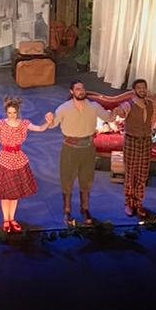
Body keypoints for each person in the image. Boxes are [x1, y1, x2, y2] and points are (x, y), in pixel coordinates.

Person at [0, 96, 54, 232]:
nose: (12, 115)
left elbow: (40, 129)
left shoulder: (24, 123)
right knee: (5, 193)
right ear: (6, 113)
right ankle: (5, 220)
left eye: (14, 112)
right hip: (4, 160)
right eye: (9, 113)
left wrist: (48, 122)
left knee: (14, 194)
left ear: (18, 112)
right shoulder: (1, 123)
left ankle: (12, 219)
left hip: (18, 160)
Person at [105, 79, 156, 218]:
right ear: (134, 90)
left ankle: (139, 203)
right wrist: (116, 111)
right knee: (130, 174)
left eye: (144, 87)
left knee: (142, 174)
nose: (142, 90)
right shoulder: (128, 104)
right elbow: (121, 112)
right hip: (132, 141)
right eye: (139, 87)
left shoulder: (151, 105)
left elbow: (153, 120)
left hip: (146, 141)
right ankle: (129, 203)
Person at [51, 80, 101, 227]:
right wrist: (49, 119)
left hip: (88, 148)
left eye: (83, 88)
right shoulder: (64, 108)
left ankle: (85, 208)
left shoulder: (93, 106)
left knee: (87, 179)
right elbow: (53, 123)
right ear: (72, 92)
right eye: (78, 89)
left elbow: (109, 117)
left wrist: (118, 111)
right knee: (67, 179)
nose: (81, 91)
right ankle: (67, 210)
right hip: (70, 149)